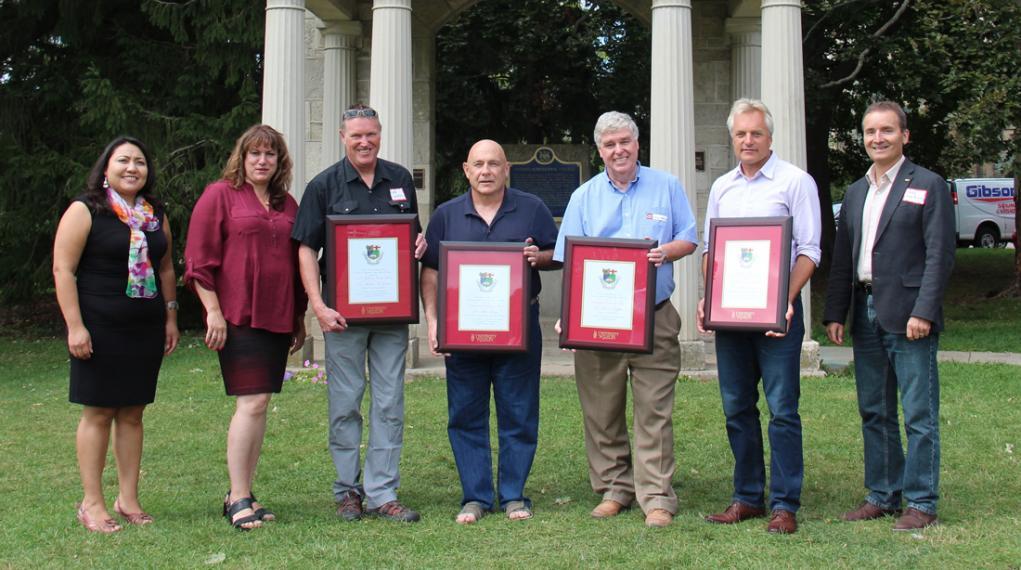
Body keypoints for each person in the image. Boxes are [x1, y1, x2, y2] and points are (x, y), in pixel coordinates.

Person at [553, 111, 698, 528]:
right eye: (610, 144)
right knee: (602, 408)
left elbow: (689, 237)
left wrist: (666, 252)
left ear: (637, 144)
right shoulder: (584, 196)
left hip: (655, 317)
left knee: (654, 409)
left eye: (625, 142)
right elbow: (571, 262)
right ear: (600, 151)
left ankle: (655, 496)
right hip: (599, 321)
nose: (619, 150)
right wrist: (570, 316)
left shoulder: (666, 186)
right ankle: (615, 488)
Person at [823, 101, 955, 531]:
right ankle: (883, 493)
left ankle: (921, 501)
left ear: (905, 136)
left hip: (909, 313)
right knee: (874, 409)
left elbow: (939, 255)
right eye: (869, 131)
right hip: (863, 311)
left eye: (887, 130)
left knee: (918, 412)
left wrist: (925, 310)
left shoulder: (928, 184)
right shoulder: (857, 190)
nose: (877, 138)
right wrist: (835, 312)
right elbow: (843, 257)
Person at [292, 104, 427, 523]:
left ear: (380, 135)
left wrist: (418, 246)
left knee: (390, 403)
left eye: (371, 134)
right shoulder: (323, 185)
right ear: (342, 137)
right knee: (345, 403)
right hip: (343, 317)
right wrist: (318, 306)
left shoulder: (399, 179)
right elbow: (304, 249)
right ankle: (347, 490)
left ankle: (382, 492)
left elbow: (412, 236)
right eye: (356, 136)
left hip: (391, 318)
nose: (364, 142)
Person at [696, 98, 821, 535]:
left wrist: (784, 299)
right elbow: (712, 249)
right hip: (731, 317)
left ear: (770, 137)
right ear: (732, 138)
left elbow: (809, 250)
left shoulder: (795, 182)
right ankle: (747, 496)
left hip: (777, 315)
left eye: (756, 134)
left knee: (782, 408)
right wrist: (706, 299)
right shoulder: (722, 187)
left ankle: (785, 504)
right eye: (741, 134)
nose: (748, 141)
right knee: (736, 407)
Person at [420, 140, 560, 524]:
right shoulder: (446, 215)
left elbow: (555, 254)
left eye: (493, 164)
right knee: (465, 413)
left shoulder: (531, 209)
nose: (486, 171)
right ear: (466, 170)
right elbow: (430, 271)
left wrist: (538, 258)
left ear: (506, 169)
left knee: (519, 411)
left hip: (519, 330)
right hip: (462, 333)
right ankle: (476, 496)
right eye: (478, 164)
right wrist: (433, 322)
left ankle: (514, 495)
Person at [53, 136, 180, 533]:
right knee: (99, 410)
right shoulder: (85, 209)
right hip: (98, 327)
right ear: (106, 168)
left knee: (133, 412)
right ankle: (92, 503)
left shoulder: (154, 213)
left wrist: (171, 317)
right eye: (123, 160)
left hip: (144, 326)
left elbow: (165, 268)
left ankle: (128, 499)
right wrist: (75, 326)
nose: (131, 168)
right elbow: (63, 270)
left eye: (139, 162)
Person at [184, 125, 307, 530]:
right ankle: (237, 496)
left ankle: (244, 492)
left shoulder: (285, 202)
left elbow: (296, 261)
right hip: (237, 315)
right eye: (254, 153)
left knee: (260, 405)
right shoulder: (219, 195)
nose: (262, 160)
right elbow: (199, 260)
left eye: (270, 154)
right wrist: (213, 312)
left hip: (277, 316)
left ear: (279, 161)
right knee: (250, 403)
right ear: (242, 156)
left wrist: (297, 318)